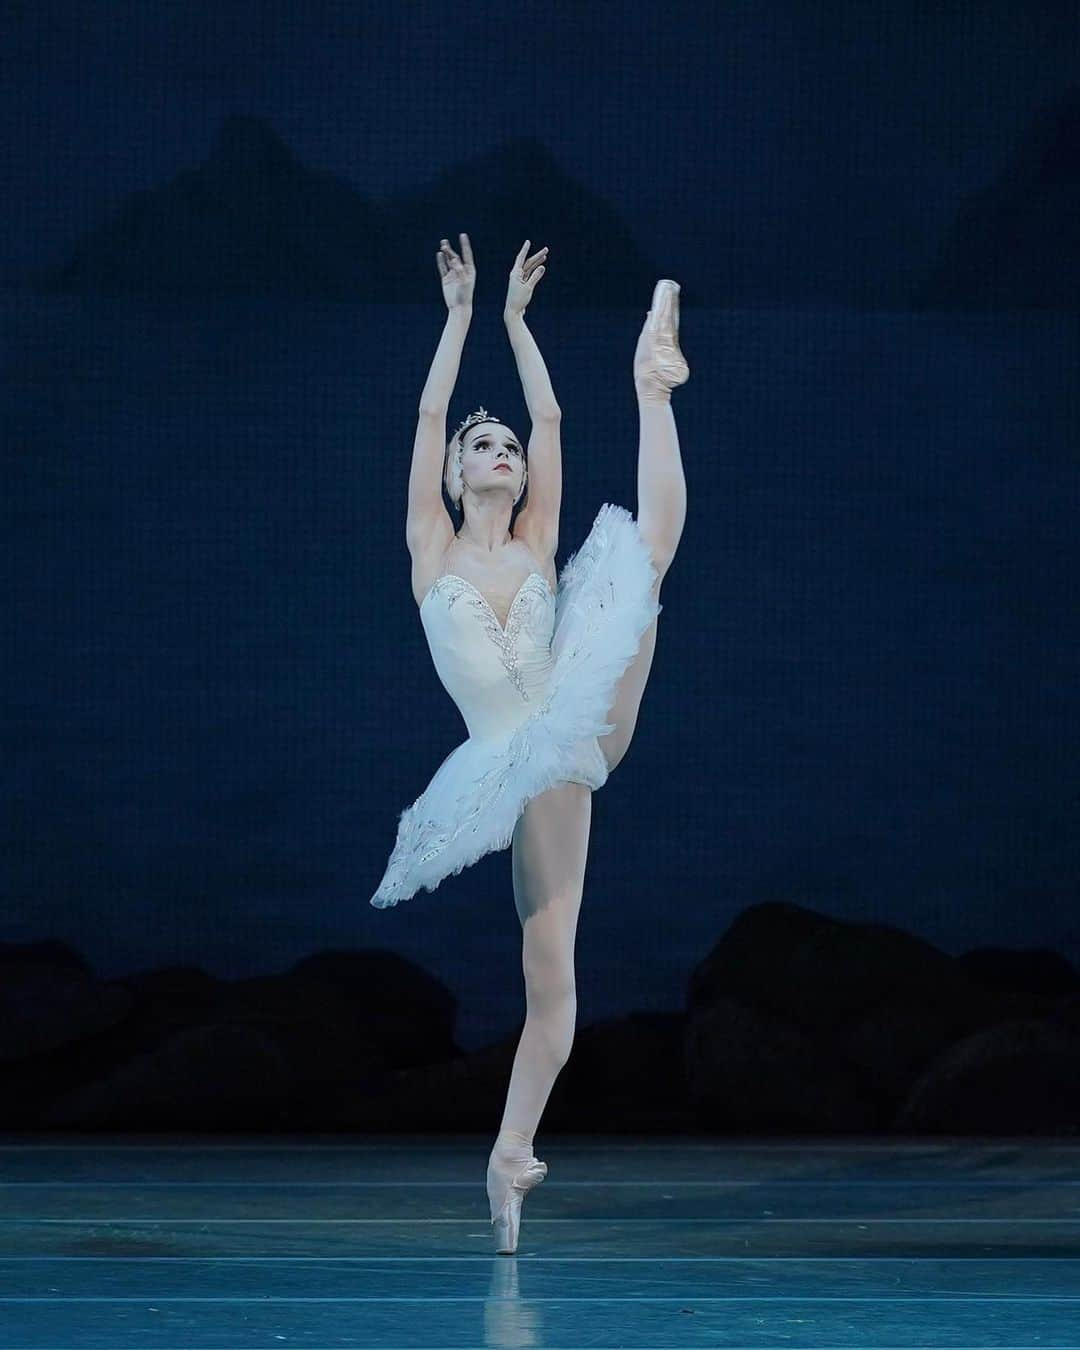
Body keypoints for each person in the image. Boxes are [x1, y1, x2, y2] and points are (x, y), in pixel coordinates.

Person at [371, 232, 689, 1253]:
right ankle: (510, 1156)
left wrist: (519, 322)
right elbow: (428, 414)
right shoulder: (431, 550)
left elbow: (548, 415)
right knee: (552, 989)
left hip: (576, 721)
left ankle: (654, 386)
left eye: (505, 448)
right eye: (483, 449)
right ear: (459, 481)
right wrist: (461, 318)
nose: (500, 452)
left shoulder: (539, 540)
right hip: (513, 761)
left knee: (642, 568)